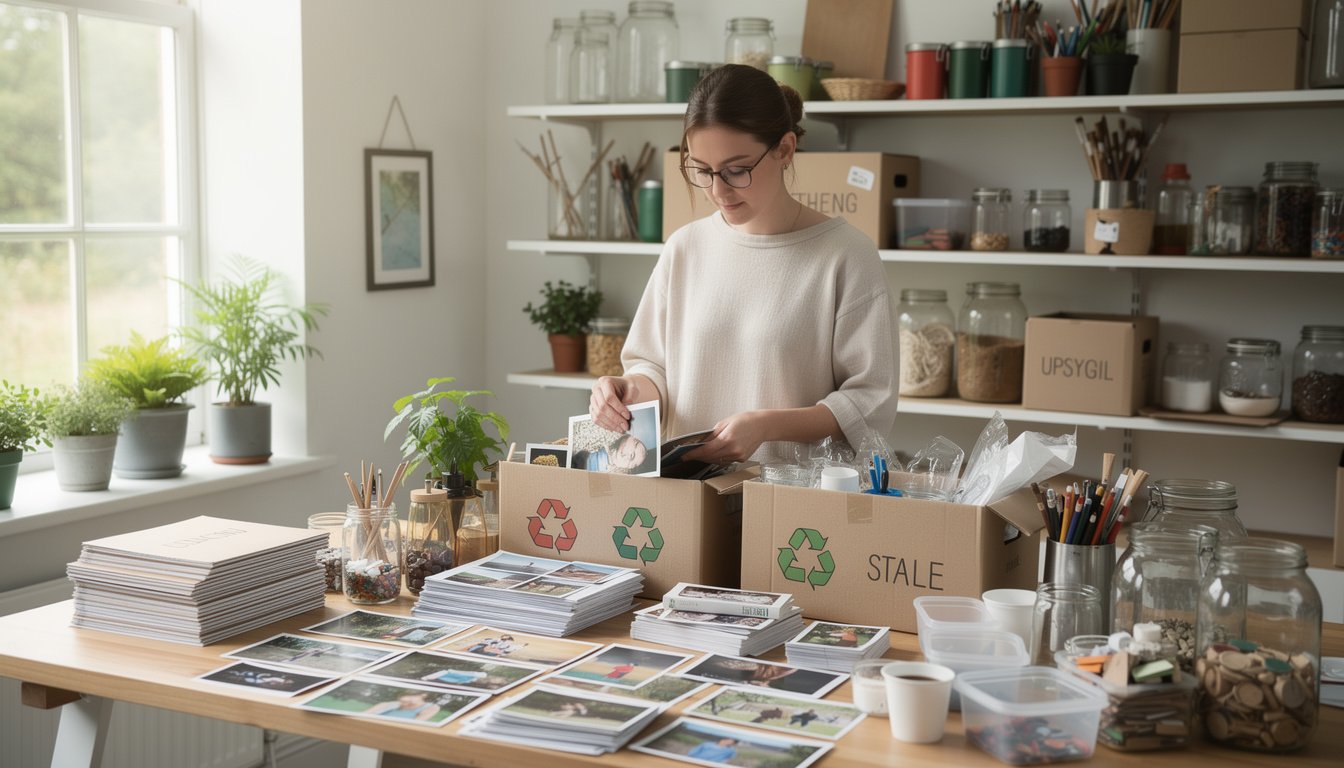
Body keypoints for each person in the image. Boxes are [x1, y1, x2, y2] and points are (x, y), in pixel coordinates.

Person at [589, 63, 898, 466]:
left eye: (737, 170)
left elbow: (869, 401)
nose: (718, 190)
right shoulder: (684, 248)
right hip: (690, 496)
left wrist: (767, 426)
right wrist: (626, 390)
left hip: (794, 509)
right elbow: (655, 370)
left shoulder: (846, 255)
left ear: (785, 150)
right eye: (702, 170)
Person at [368, 692, 441, 721]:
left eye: (411, 695)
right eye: (404, 695)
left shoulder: (431, 707)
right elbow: (362, 715)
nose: (405, 698)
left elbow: (417, 722)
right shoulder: (388, 704)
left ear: (423, 695)